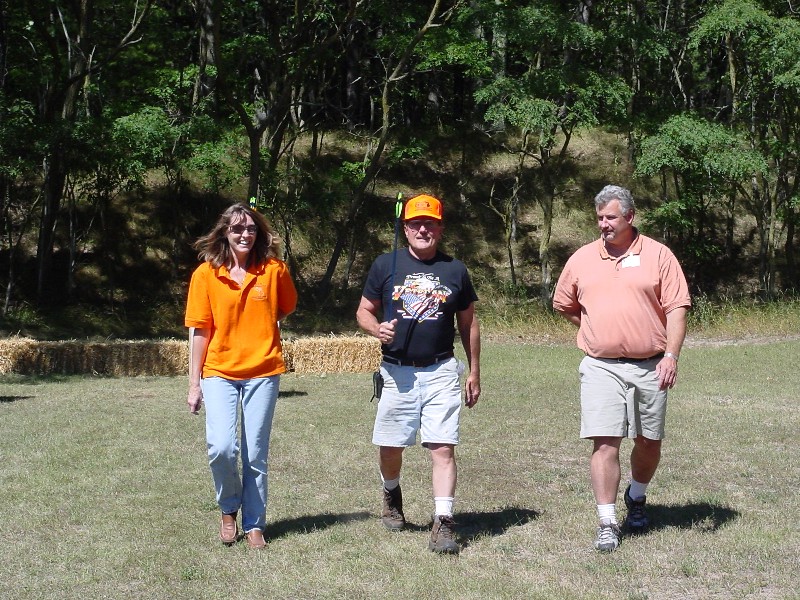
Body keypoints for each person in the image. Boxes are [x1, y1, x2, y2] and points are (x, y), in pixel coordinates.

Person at [552, 185, 691, 553]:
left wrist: (671, 356)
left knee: (648, 441)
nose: (604, 224)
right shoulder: (582, 258)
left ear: (630, 217)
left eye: (610, 217)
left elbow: (677, 308)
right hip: (601, 366)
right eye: (599, 218)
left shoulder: (659, 255)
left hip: (651, 365)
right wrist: (592, 327)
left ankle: (637, 496)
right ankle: (607, 522)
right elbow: (563, 304)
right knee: (605, 441)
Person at [356, 193, 481, 555]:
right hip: (397, 372)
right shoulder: (385, 265)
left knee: (442, 447)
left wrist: (474, 371)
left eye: (430, 224)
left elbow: (469, 323)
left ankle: (443, 521)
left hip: (441, 369)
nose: (423, 230)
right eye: (416, 224)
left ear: (440, 228)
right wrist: (376, 328)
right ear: (405, 228)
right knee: (391, 447)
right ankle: (391, 493)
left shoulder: (455, 270)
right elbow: (363, 311)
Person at [185, 203, 297, 549]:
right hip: (218, 371)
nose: (244, 234)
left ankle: (255, 524)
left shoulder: (275, 270)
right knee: (221, 447)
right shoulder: (205, 275)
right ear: (225, 233)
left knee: (254, 454)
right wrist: (194, 384)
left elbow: (285, 307)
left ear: (259, 233)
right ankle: (228, 508)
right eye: (237, 228)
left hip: (263, 371)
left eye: (250, 228)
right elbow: (200, 330)